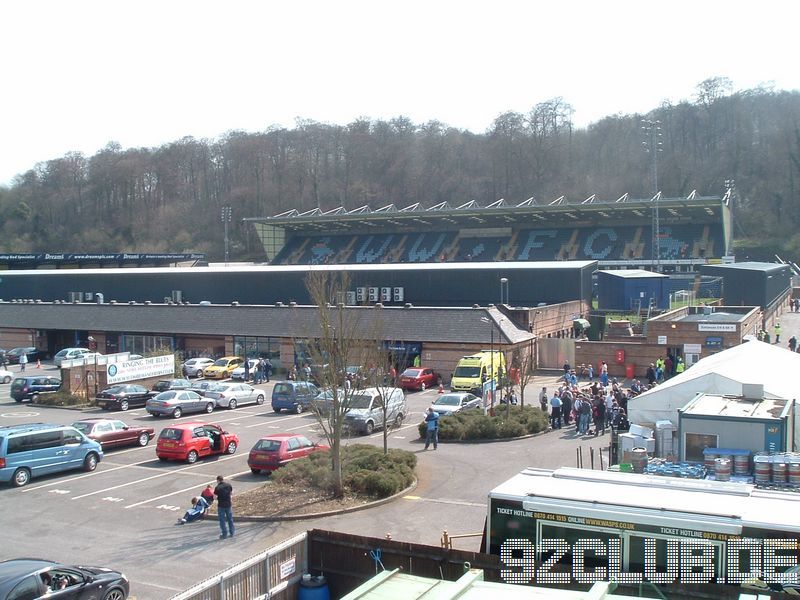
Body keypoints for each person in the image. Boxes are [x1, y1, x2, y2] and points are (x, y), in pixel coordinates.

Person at [214, 475, 234, 539]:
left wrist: (217, 499)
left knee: (222, 520)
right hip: (228, 504)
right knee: (230, 519)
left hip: (221, 505)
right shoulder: (228, 485)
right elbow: (231, 493)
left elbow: (215, 497)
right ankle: (232, 532)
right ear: (223, 479)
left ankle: (224, 533)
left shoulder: (217, 488)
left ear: (218, 480)